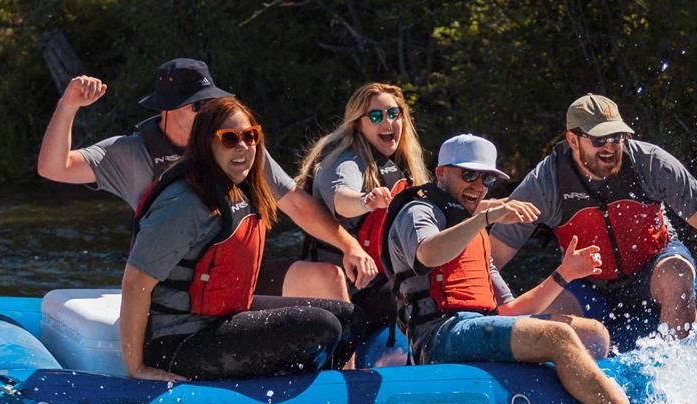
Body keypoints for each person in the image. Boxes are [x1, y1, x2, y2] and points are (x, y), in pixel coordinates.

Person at [385, 133, 690, 404]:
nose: (478, 186)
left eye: (487, 178)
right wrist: (486, 217)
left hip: (474, 328)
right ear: (441, 174)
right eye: (469, 175)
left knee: (594, 335)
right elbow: (428, 254)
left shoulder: (473, 236)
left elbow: (512, 310)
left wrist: (564, 274)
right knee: (557, 337)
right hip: (440, 336)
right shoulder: (419, 211)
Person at [37, 58, 377, 298]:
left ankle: (338, 386)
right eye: (197, 107)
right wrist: (68, 107)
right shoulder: (129, 153)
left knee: (327, 277)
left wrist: (349, 247)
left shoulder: (236, 145)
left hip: (232, 278)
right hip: (175, 292)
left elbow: (297, 204)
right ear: (166, 109)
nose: (210, 114)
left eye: (211, 103)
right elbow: (54, 168)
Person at [121, 99, 355, 381]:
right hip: (178, 341)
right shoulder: (183, 205)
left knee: (350, 318)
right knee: (322, 325)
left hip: (221, 321)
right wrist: (136, 368)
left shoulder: (242, 188)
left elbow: (297, 204)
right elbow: (135, 284)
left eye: (250, 136)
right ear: (207, 144)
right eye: (229, 139)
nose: (243, 146)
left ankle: (317, 396)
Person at [488, 94, 697, 337]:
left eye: (617, 137)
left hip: (654, 267)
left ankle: (681, 367)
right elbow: (492, 256)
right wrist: (485, 307)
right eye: (598, 139)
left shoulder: (651, 163)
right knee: (537, 322)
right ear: (572, 140)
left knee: (678, 275)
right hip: (589, 284)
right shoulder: (546, 183)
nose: (609, 147)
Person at [294, 82, 429, 355]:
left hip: (377, 285)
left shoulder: (402, 167)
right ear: (358, 125)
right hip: (344, 292)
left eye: (394, 113)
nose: (387, 122)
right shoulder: (343, 161)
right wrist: (367, 201)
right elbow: (341, 198)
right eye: (376, 116)